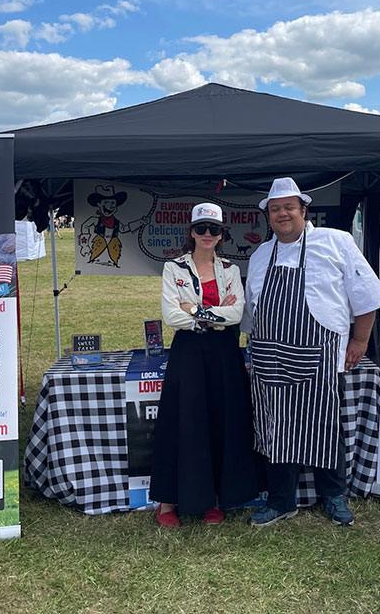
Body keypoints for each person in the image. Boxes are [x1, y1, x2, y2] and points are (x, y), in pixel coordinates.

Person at [241, 177, 380, 527]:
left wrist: (359, 341)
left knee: (324, 427)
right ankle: (281, 501)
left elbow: (367, 296)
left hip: (321, 357)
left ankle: (334, 496)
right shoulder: (262, 254)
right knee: (274, 428)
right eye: (275, 209)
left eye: (289, 207)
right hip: (268, 358)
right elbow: (251, 311)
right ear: (269, 215)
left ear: (303, 210)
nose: (282, 214)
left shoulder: (337, 242)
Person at [149, 202, 259, 527]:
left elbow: (237, 314)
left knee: (220, 421)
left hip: (224, 354)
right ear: (191, 232)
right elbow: (171, 316)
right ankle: (167, 503)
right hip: (189, 354)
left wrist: (195, 311)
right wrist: (213, 316)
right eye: (201, 228)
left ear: (222, 234)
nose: (207, 234)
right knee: (183, 421)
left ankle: (213, 499)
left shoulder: (230, 269)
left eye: (214, 229)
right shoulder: (174, 268)